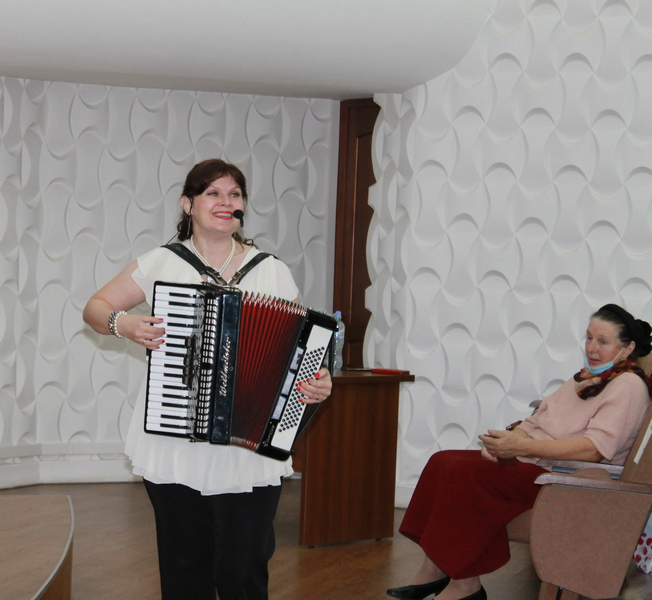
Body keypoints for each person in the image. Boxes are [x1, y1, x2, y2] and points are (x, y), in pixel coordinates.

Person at [83, 158, 333, 600]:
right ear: (188, 204)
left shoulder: (271, 270)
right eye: (212, 193)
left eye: (234, 194)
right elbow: (95, 308)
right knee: (184, 570)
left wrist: (319, 381)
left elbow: (303, 349)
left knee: (244, 572)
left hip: (247, 451)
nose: (225, 201)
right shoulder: (163, 262)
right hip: (174, 443)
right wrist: (126, 324)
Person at [387, 304, 652, 600]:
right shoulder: (585, 378)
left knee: (465, 474)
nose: (591, 347)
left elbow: (594, 450)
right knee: (443, 461)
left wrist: (521, 447)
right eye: (589, 337)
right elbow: (537, 419)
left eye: (602, 341)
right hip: (535, 462)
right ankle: (434, 568)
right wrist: (509, 442)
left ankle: (464, 586)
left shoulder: (628, 386)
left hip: (566, 480)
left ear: (627, 349)